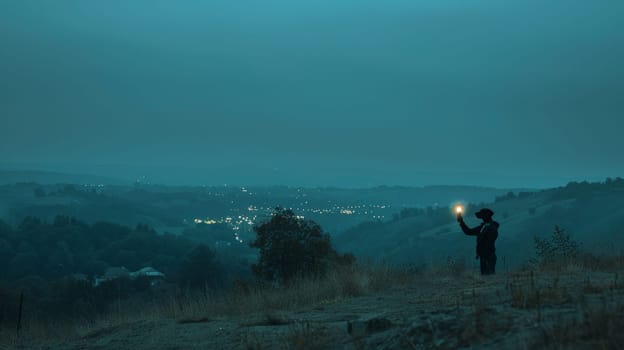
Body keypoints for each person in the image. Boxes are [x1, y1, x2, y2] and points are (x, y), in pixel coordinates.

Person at [457, 208, 499, 275]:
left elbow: (469, 232)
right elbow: (468, 231)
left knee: (488, 277)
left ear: (486, 215)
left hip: (488, 256)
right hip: (484, 256)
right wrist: (461, 222)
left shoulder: (490, 227)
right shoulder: (485, 226)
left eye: (481, 213)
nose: (478, 214)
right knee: (487, 278)